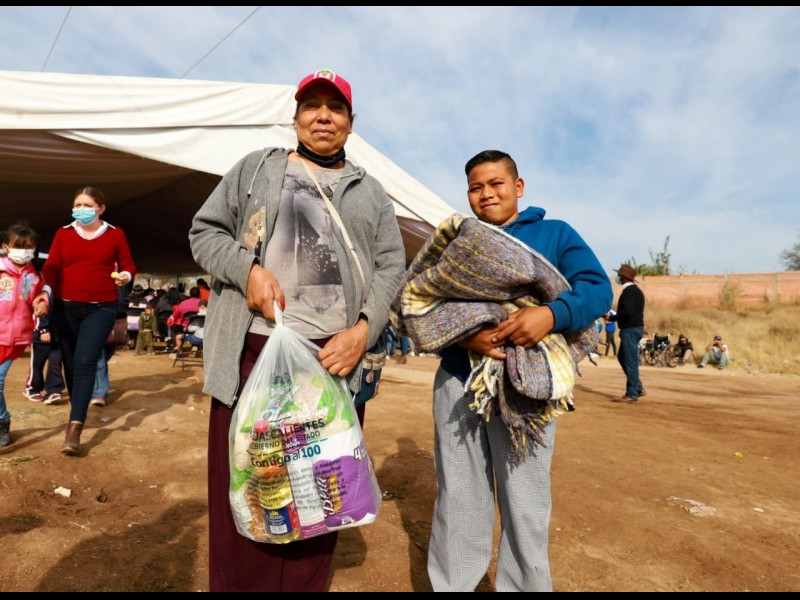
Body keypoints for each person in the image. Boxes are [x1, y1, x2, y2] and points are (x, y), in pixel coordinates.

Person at [188, 68, 405, 592]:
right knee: (251, 484)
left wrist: (363, 330)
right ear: (297, 117)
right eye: (312, 106)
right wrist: (248, 270)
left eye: (335, 107)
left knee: (321, 495)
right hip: (253, 353)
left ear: (351, 122)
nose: (323, 116)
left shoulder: (370, 192)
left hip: (334, 360)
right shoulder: (255, 169)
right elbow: (204, 231)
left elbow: (391, 267)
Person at [422, 150, 612, 591]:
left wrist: (551, 314)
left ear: (518, 186)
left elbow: (597, 288)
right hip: (459, 380)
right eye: (476, 187)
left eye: (496, 184)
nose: (486, 194)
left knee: (525, 500)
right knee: (459, 496)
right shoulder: (457, 241)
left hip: (526, 386)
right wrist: (463, 336)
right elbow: (422, 302)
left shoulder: (554, 234)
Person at [41, 186, 136, 456]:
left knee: (85, 362)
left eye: (87, 205)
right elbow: (51, 267)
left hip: (101, 308)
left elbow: (129, 265)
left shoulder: (115, 234)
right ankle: (78, 408)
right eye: (77, 205)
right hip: (65, 309)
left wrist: (125, 276)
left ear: (101, 208)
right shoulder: (64, 233)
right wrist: (45, 293)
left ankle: (74, 427)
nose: (80, 209)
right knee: (70, 363)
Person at [0, 222, 50, 446]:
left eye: (29, 246)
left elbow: (40, 296)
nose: (24, 251)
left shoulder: (35, 276)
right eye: (19, 246)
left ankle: (2, 423)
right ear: (6, 247)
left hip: (16, 337)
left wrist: (42, 302)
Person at [608, 264, 646, 403]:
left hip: (630, 329)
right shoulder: (635, 291)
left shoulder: (629, 291)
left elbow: (628, 311)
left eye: (619, 275)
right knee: (623, 357)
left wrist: (613, 317)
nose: (617, 277)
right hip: (633, 328)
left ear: (623, 277)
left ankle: (632, 393)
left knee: (630, 362)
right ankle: (637, 388)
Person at [24, 309, 66, 405]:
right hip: (40, 335)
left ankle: (54, 390)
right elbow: (40, 310)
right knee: (37, 364)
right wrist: (43, 329)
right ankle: (32, 388)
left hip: (59, 335)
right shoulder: (45, 297)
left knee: (55, 362)